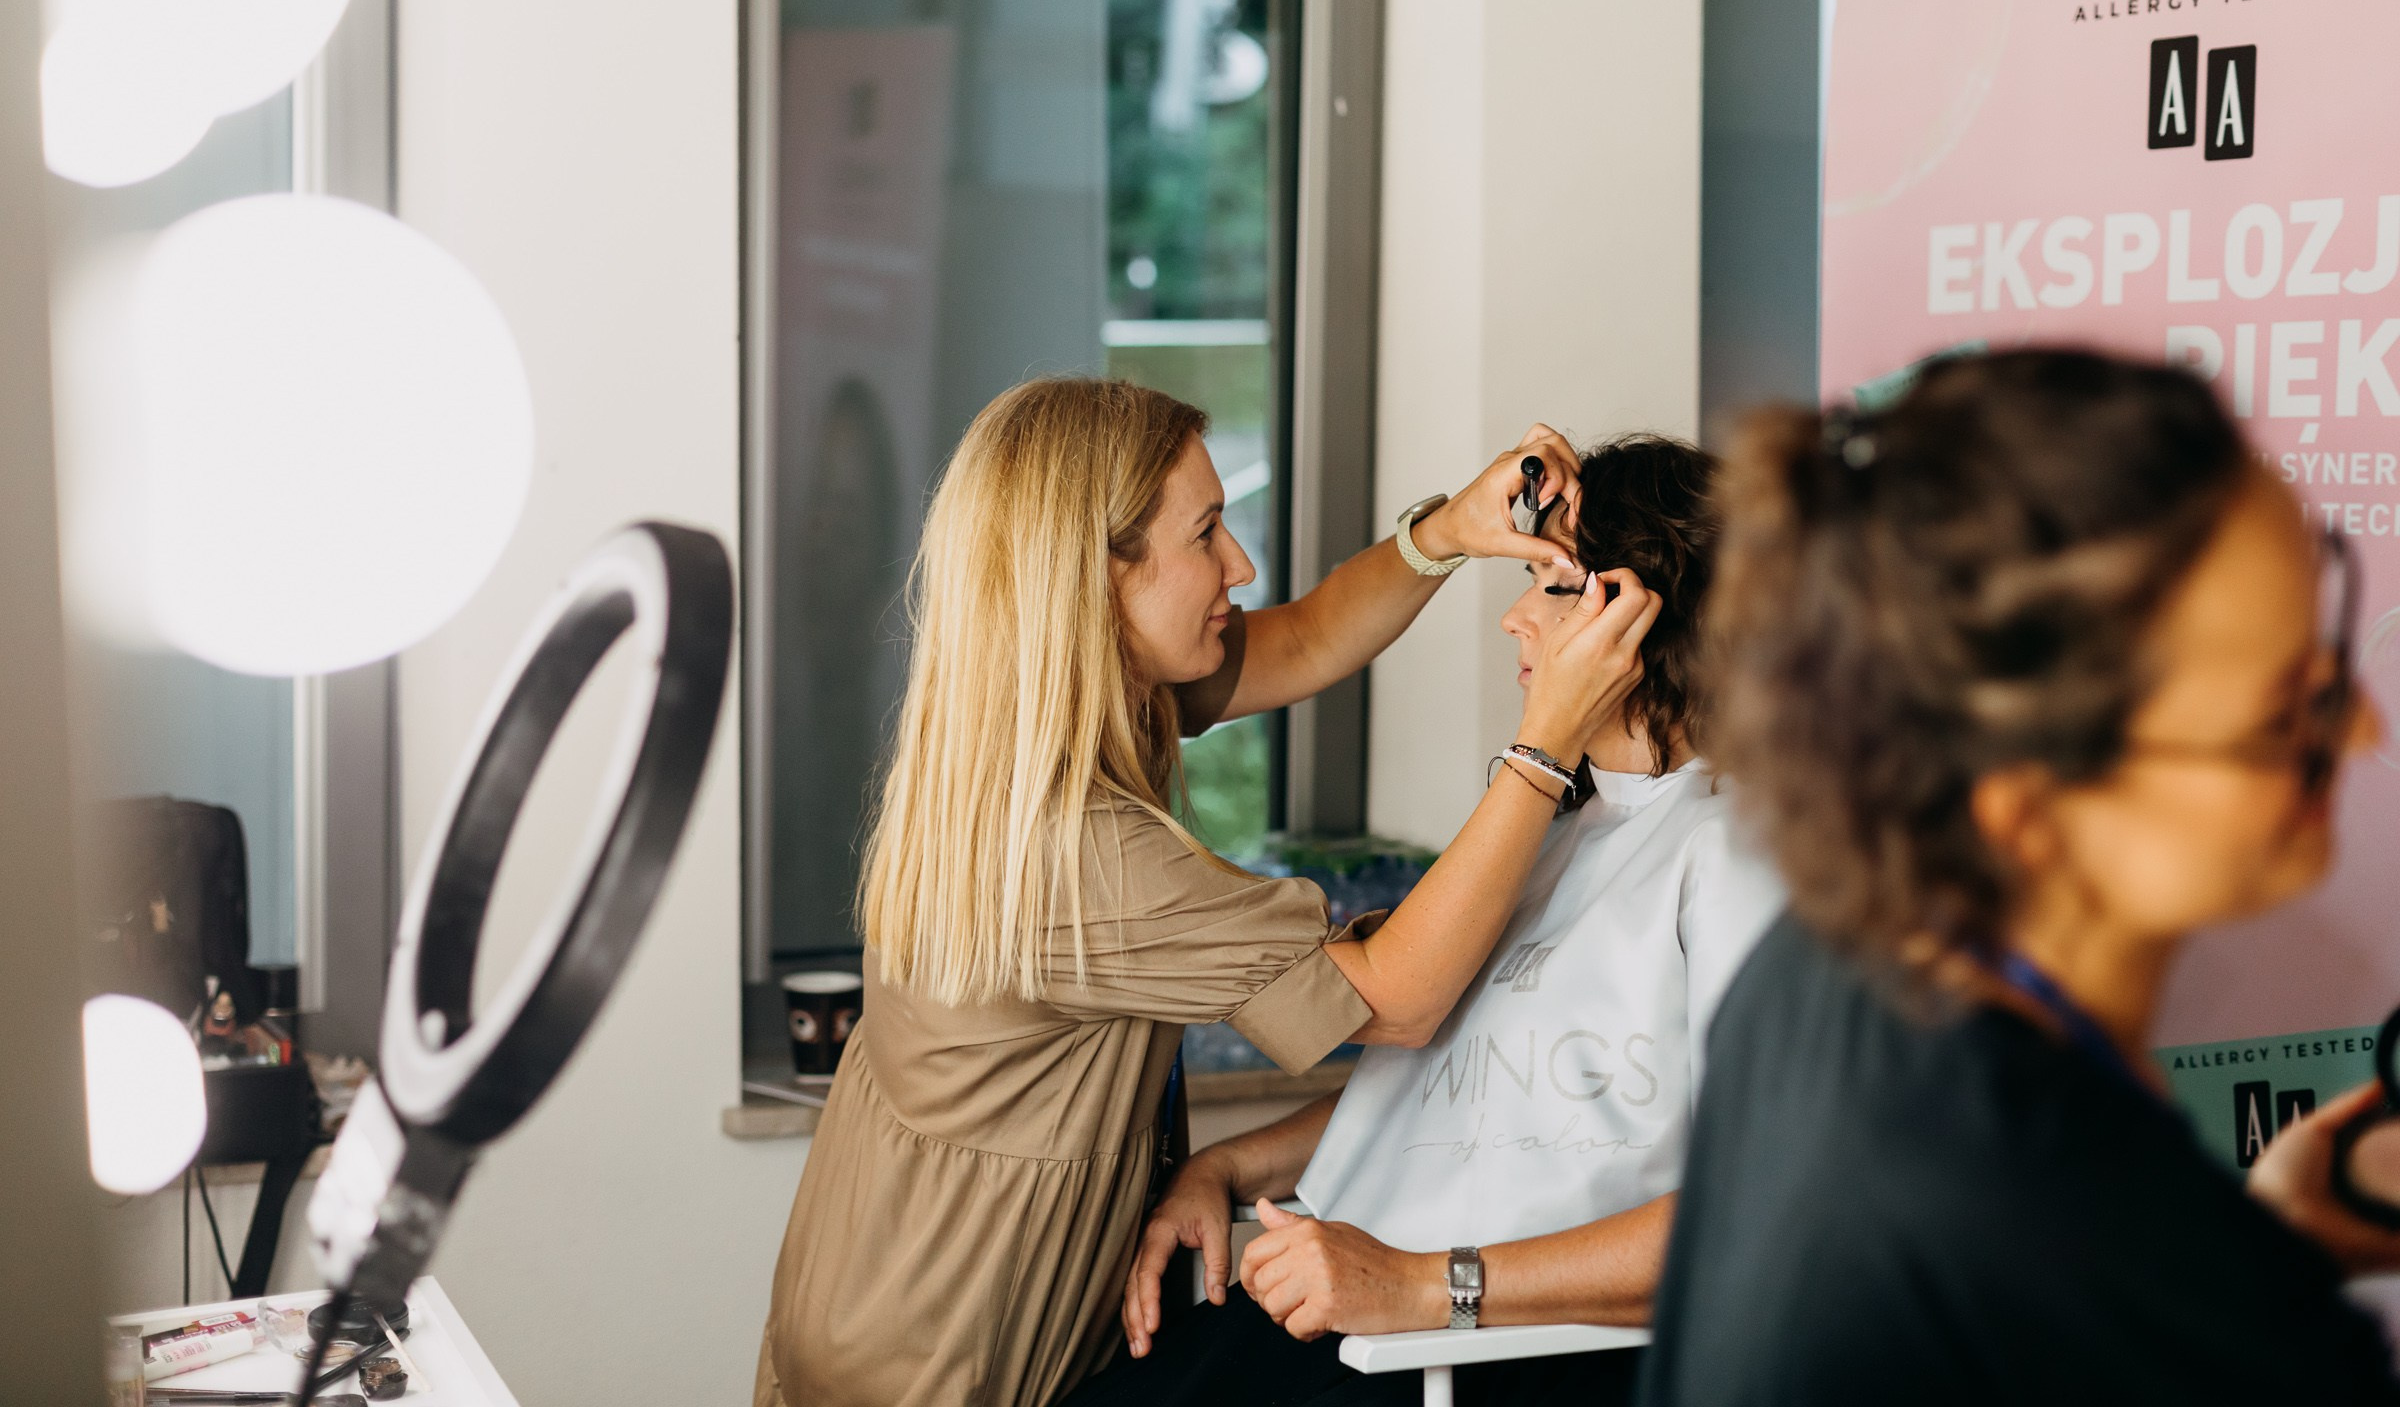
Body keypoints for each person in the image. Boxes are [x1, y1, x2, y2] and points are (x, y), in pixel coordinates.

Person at [754, 378, 1664, 1407]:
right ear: (1098, 576)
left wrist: (1451, 529)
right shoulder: (1078, 849)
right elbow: (1398, 1000)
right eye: (1208, 533)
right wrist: (1546, 740)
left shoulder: (1070, 705)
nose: (1242, 565)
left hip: (871, 1279)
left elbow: (1314, 636)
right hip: (938, 1342)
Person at [1641, 348, 2400, 1405]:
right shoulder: (2088, 1230)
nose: (2362, 727)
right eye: (2285, 716)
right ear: (2027, 811)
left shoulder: (1822, 969)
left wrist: (2255, 1250)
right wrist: (2230, 1284)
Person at [1065, 435, 1785, 1407]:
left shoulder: (1743, 853)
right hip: (1357, 1314)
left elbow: (1759, 1211)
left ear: (1652, 620)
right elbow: (1482, 1087)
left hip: (1487, 1353)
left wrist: (1421, 1283)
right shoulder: (1560, 821)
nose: (1514, 616)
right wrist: (1229, 1164)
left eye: (1555, 586)